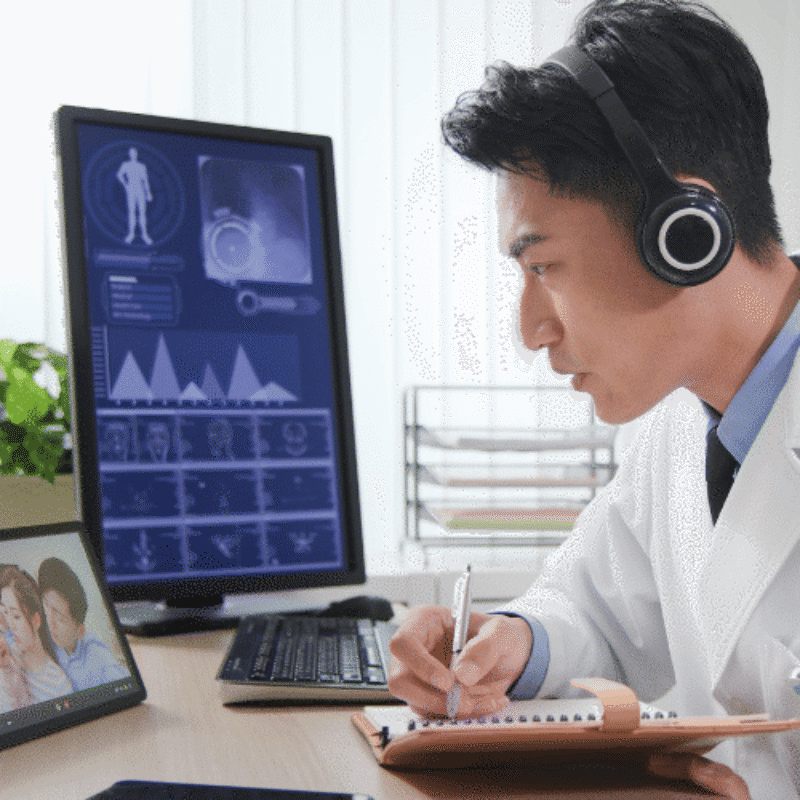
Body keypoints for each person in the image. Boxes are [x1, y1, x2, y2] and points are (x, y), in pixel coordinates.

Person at [388, 1, 800, 798]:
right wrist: (511, 642)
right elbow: (598, 610)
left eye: (543, 266)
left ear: (686, 233)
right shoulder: (681, 427)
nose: (530, 330)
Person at [37, 558, 129, 691]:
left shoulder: (96, 657)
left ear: (80, 631)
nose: (50, 623)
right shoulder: (46, 631)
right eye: (46, 606)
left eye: (60, 618)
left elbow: (119, 682)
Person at [0, 567, 72, 703]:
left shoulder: (59, 684)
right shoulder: (8, 659)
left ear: (36, 620)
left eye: (16, 616)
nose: (10, 625)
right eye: (5, 614)